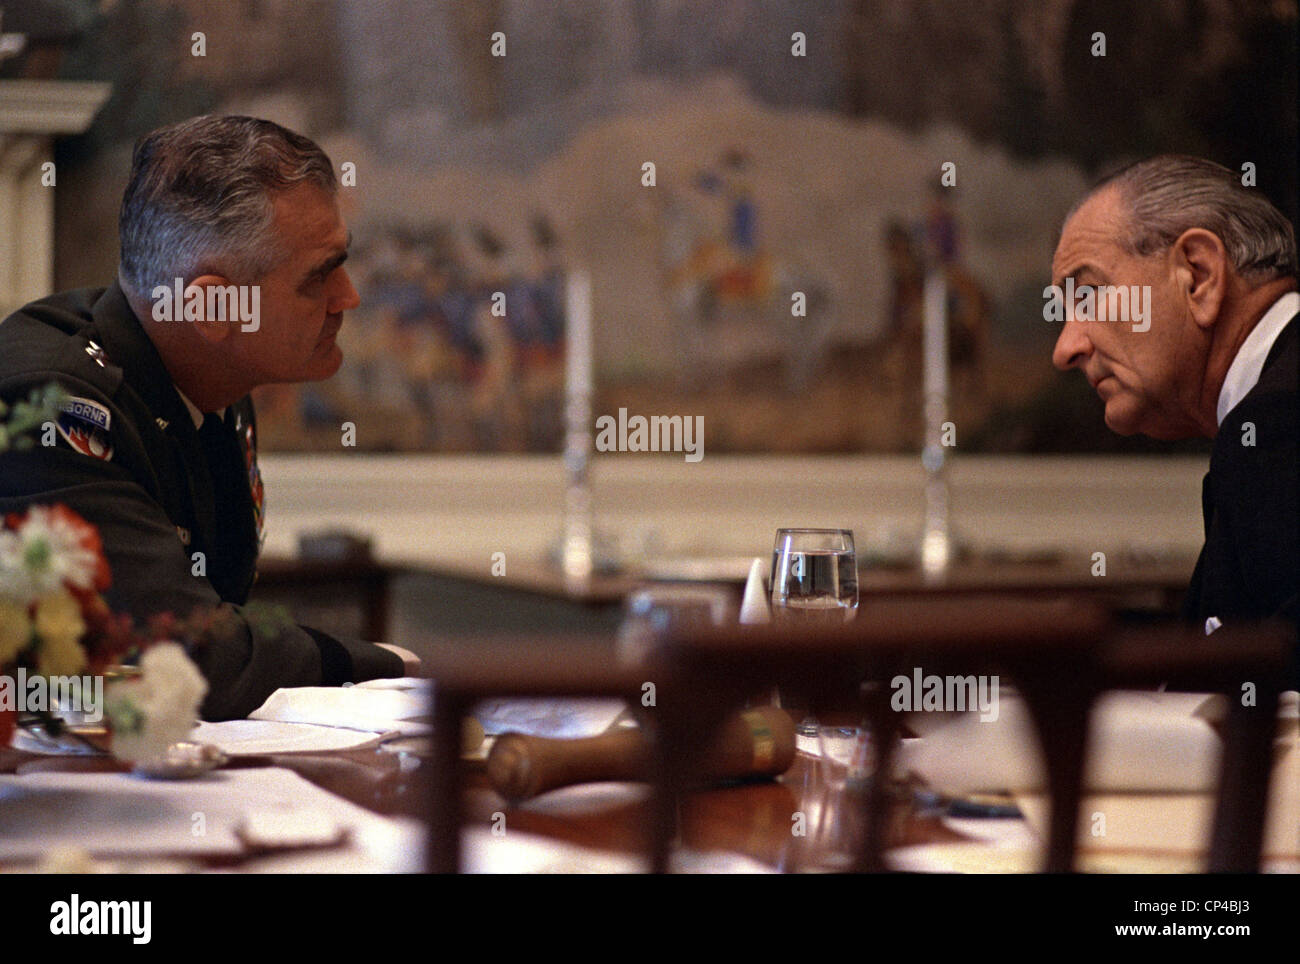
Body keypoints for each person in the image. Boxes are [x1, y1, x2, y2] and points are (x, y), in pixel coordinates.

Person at [0, 116, 417, 720]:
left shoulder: (209, 379)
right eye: (319, 276)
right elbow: (183, 660)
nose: (348, 297)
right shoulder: (45, 404)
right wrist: (380, 663)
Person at [1051, 155, 1297, 634]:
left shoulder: (1277, 422)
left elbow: (1276, 690)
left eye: (1087, 295)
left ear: (1198, 274)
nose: (1066, 349)